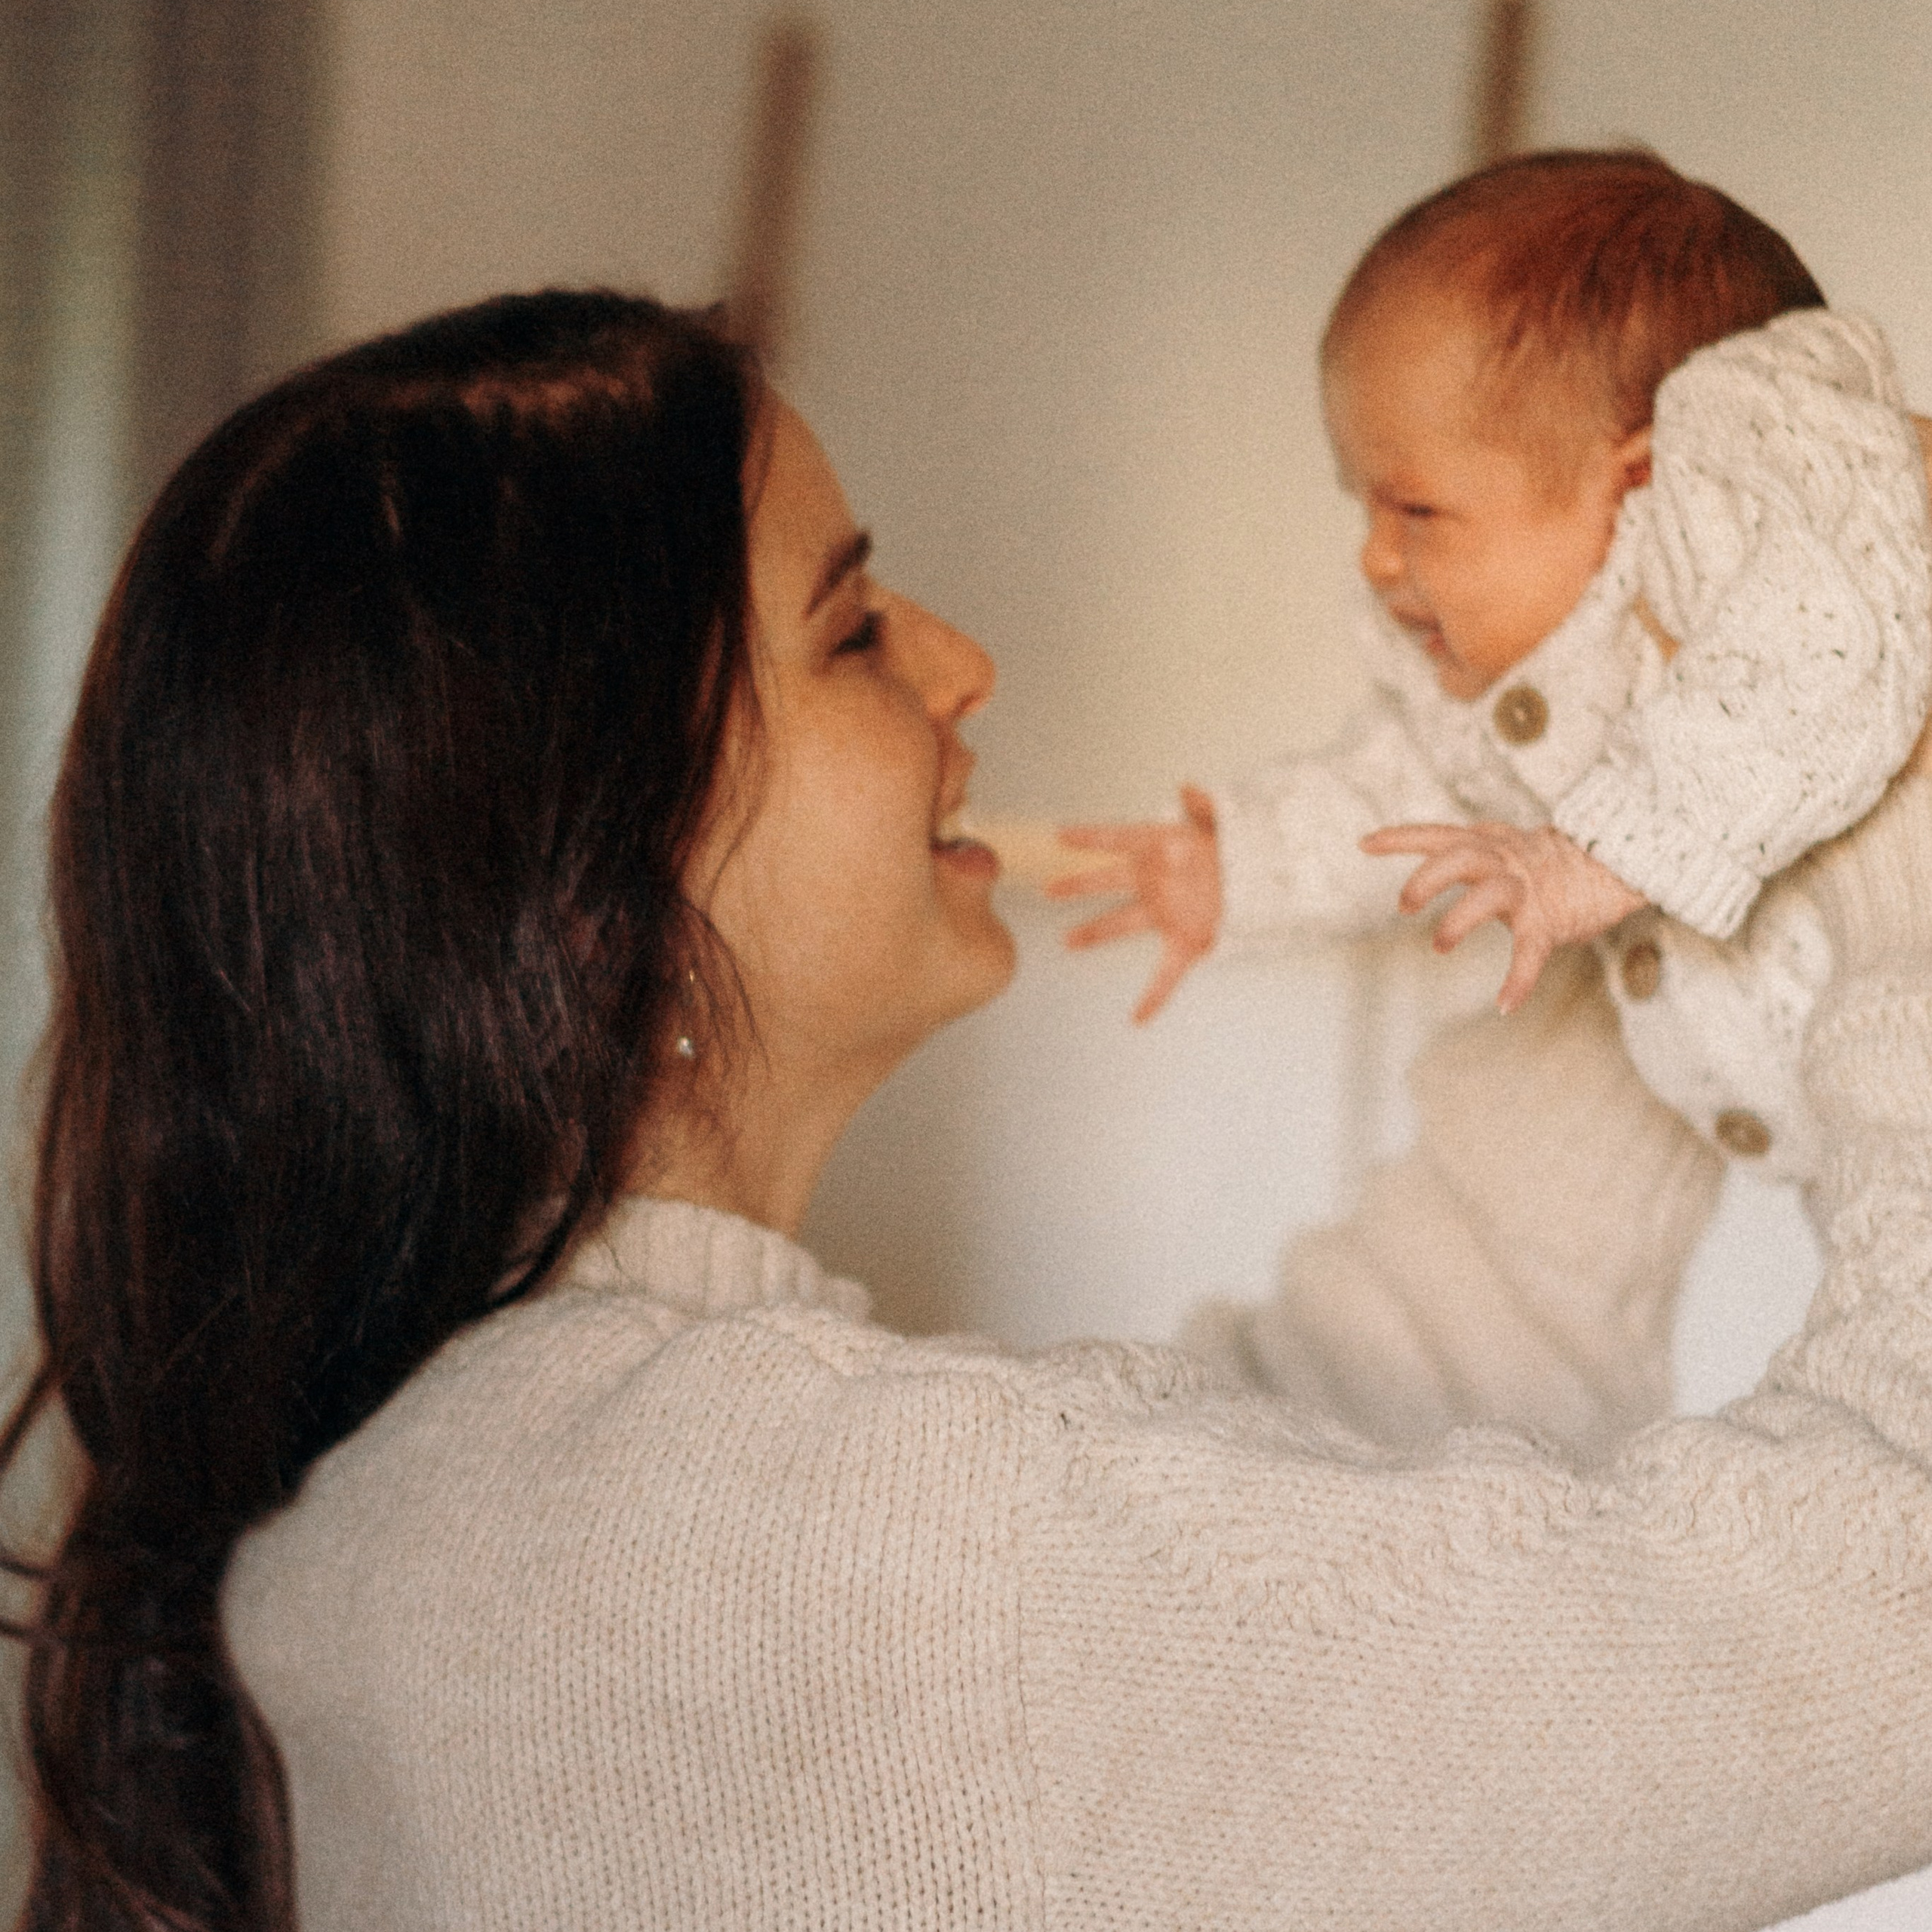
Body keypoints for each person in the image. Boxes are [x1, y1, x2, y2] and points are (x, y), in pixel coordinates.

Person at [7, 287, 1932, 1932]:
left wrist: (1652, 888)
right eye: (851, 630)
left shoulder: (393, 1530)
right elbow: (1873, 1623)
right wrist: (1888, 856)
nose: (961, 666)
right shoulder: (864, 1553)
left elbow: (1331, 1460)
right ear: (593, 899)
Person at [1057, 150, 1932, 1457]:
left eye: (1416, 507)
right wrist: (1244, 865)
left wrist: (1602, 854)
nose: (1375, 556)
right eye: (1362, 505)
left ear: (1639, 483)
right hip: (1770, 1033)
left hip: (1904, 929)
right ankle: (1372, 1439)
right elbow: (1406, 792)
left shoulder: (1751, 486)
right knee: (1571, 1108)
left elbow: (1838, 639)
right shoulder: (1515, 684)